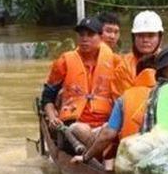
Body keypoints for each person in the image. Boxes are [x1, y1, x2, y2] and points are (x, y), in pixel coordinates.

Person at [41, 17, 115, 147]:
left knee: (111, 131)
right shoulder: (64, 61)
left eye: (90, 35)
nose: (85, 39)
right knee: (80, 129)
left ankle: (97, 147)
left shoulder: (116, 62)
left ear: (101, 37)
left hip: (106, 123)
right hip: (73, 124)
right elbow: (47, 98)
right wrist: (52, 118)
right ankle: (98, 148)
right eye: (81, 35)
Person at [71, 55, 158, 166]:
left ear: (137, 74)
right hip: (163, 158)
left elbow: (108, 135)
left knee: (76, 129)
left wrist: (85, 157)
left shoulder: (125, 98)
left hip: (130, 160)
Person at [111, 11, 164, 98]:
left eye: (151, 36)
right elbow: (124, 101)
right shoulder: (124, 66)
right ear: (134, 37)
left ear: (160, 37)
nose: (145, 40)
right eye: (140, 35)